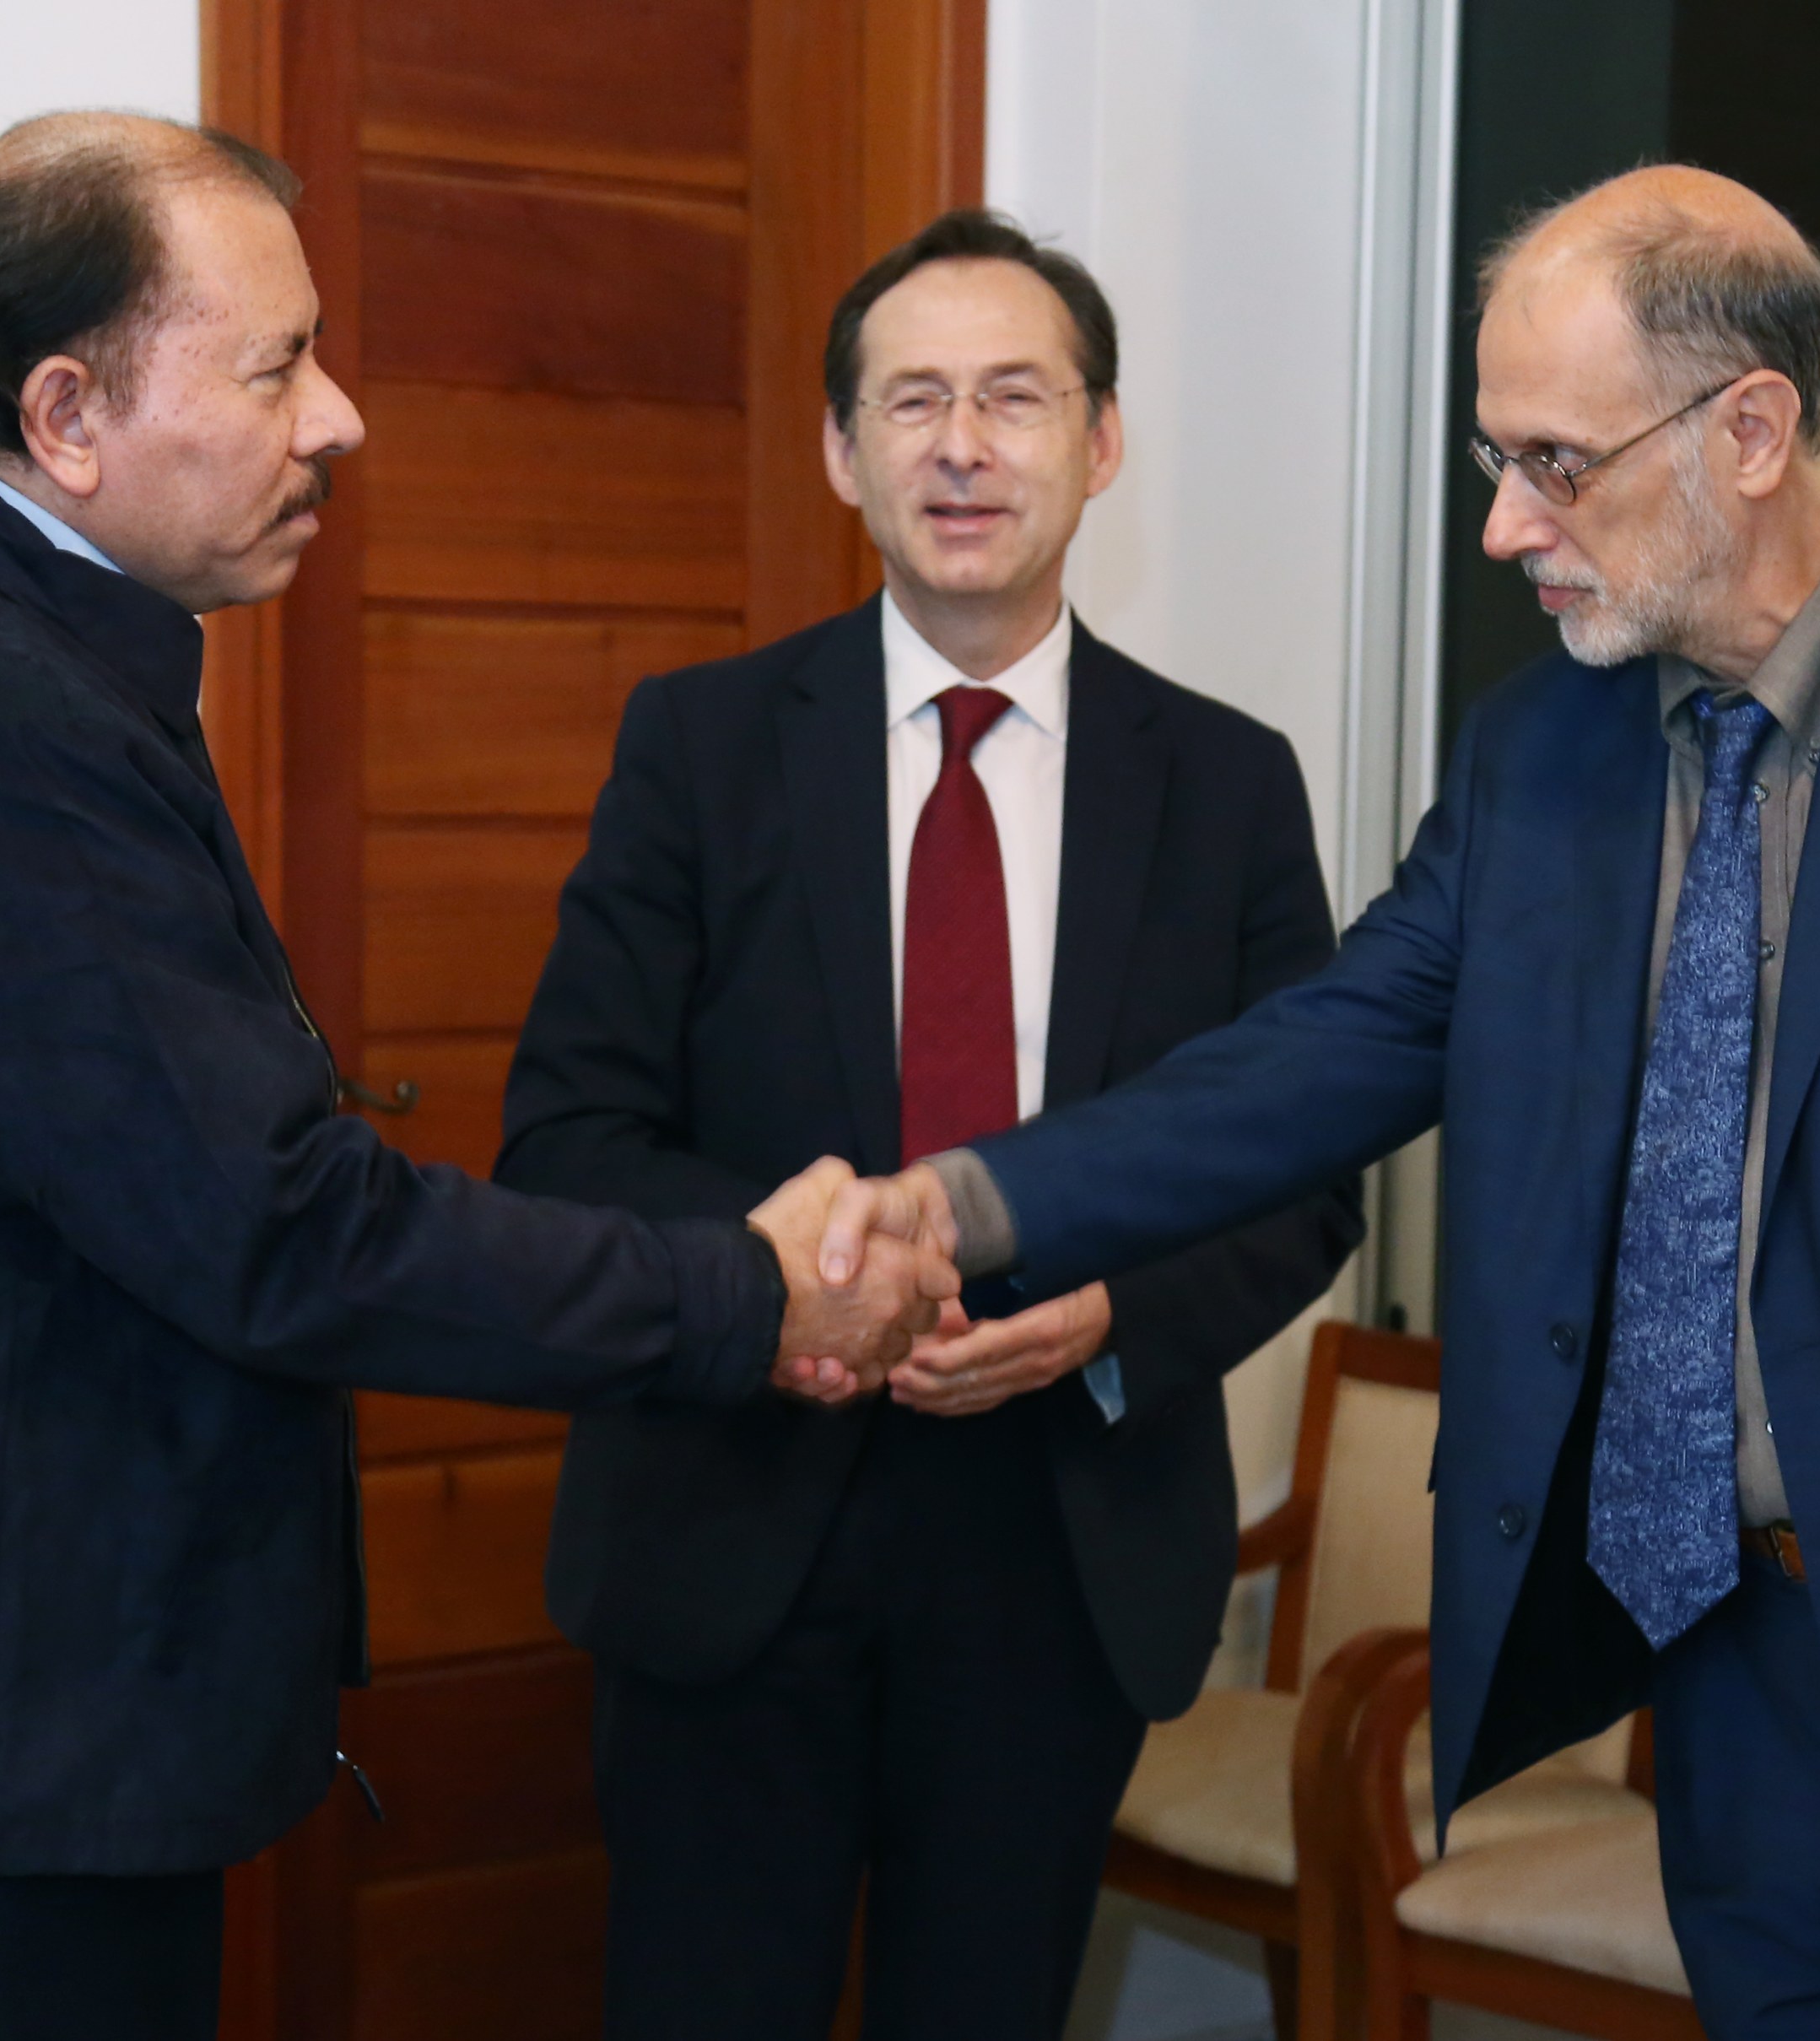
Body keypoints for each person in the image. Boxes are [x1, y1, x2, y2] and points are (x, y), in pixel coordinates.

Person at [824, 165, 1820, 2036]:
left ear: (1750, 432)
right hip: (1740, 1711)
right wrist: (959, 1205)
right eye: (1497, 459)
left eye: (1554, 463)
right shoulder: (1540, 753)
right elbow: (1310, 1059)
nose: (1504, 525)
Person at [0, 113, 950, 2041]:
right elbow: (274, 1227)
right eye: (274, 367)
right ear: (65, 411)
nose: (338, 419)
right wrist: (745, 1293)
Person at [490, 209, 1363, 2041]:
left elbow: (1303, 1172)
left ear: (1100, 442)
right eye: (912, 401)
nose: (962, 446)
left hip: (1060, 1545)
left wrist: (1114, 1310)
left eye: (1014, 398)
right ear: (841, 451)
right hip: (735, 1517)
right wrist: (809, 1279)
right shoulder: (699, 747)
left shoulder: (1224, 784)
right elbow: (569, 1136)